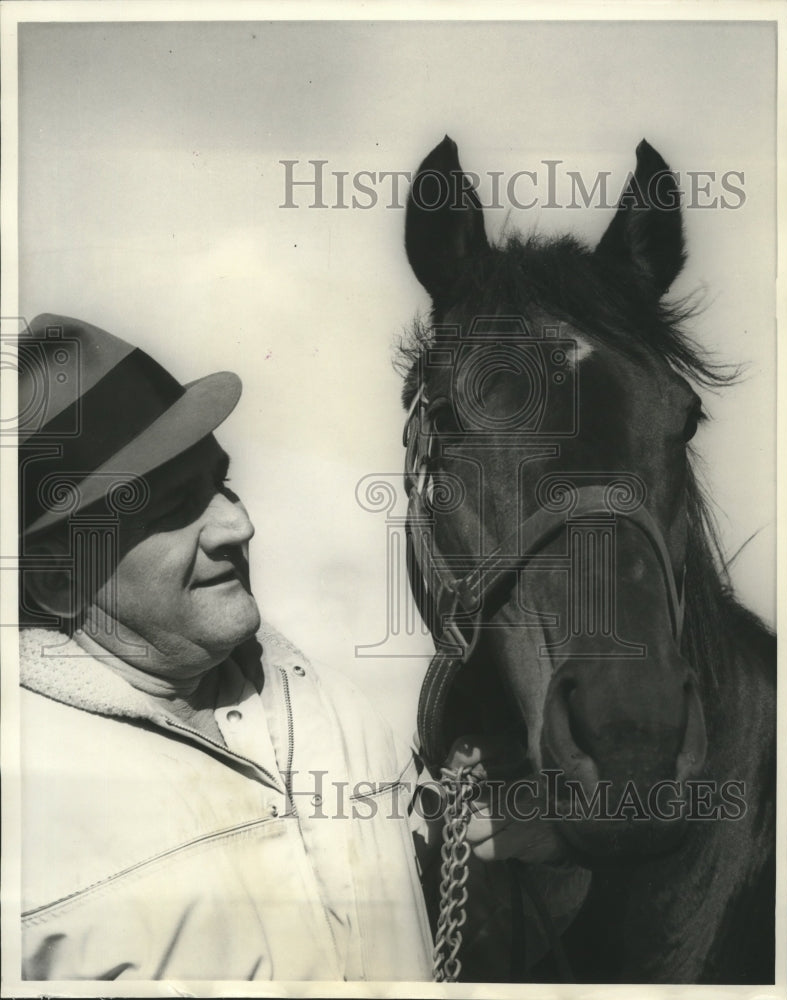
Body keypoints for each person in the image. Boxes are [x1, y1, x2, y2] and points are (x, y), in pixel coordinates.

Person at [16, 314, 571, 984]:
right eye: (171, 506)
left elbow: (458, 934)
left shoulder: (327, 704)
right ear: (56, 580)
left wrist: (545, 843)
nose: (236, 524)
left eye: (221, 482)